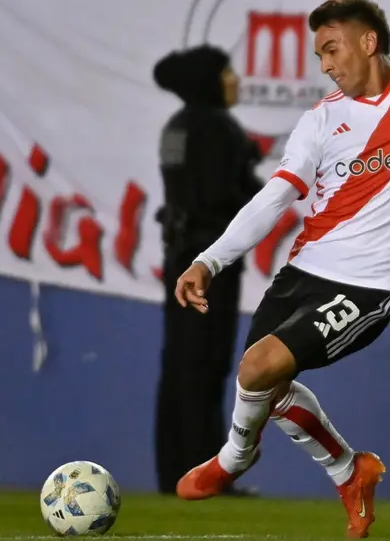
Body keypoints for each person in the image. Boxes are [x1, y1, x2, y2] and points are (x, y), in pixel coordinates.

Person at [171, 0, 390, 539]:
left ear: (368, 42)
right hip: (305, 271)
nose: (326, 64)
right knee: (267, 385)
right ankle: (349, 471)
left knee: (258, 370)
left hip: (374, 283)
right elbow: (275, 197)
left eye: (331, 49)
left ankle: (233, 459)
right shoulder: (321, 119)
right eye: (319, 55)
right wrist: (209, 260)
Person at [151, 45, 264, 495]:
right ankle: (203, 476)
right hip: (209, 264)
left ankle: (173, 471)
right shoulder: (216, 127)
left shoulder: (177, 126)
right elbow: (222, 198)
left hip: (179, 257)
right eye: (227, 71)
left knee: (179, 365)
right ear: (209, 80)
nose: (235, 79)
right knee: (207, 365)